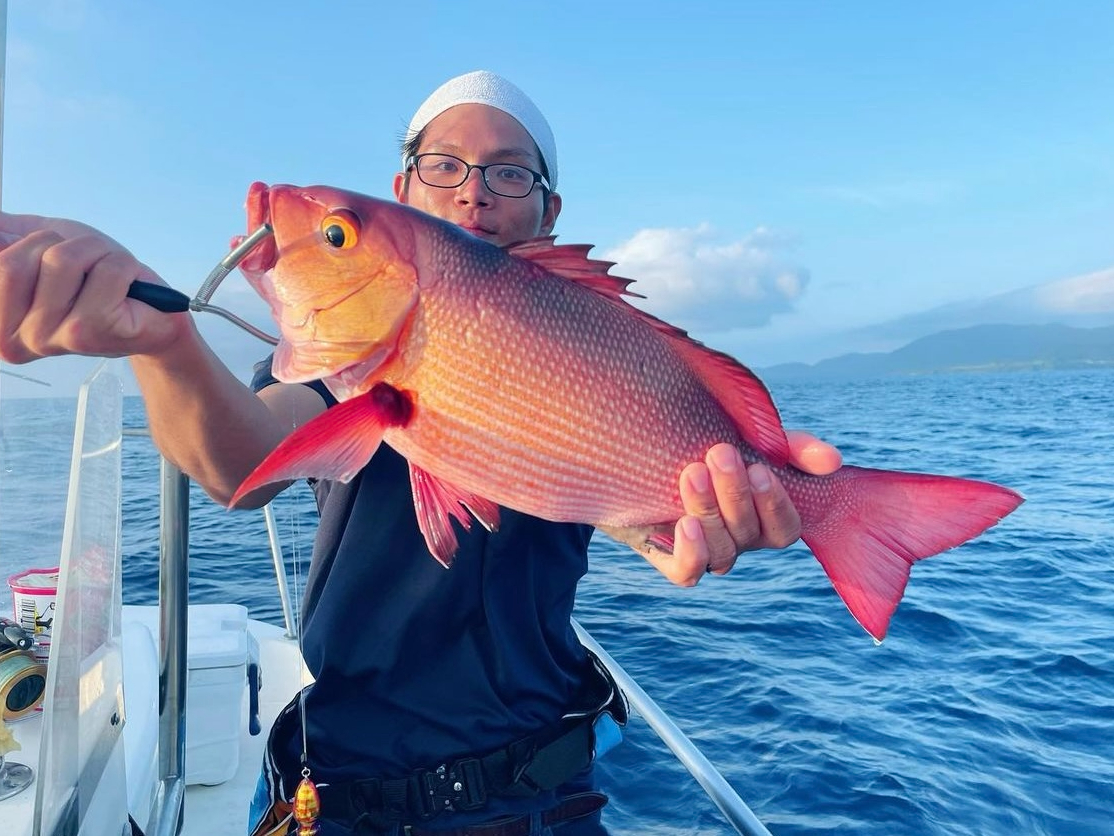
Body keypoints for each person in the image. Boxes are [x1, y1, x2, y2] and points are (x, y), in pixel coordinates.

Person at [0, 71, 841, 835]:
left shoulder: (588, 344)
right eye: (445, 165)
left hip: (541, 795)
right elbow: (240, 463)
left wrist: (701, 525)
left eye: (510, 172)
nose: (475, 193)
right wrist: (168, 345)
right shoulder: (347, 366)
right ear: (405, 187)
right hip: (341, 784)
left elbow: (643, 518)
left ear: (548, 212)